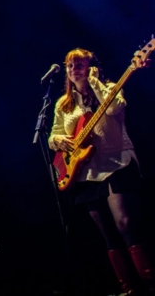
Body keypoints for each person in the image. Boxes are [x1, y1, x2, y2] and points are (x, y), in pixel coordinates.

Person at [48, 48, 153, 295]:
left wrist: (95, 83)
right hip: (86, 171)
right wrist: (59, 140)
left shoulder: (108, 88)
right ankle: (128, 289)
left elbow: (115, 108)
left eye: (80, 65)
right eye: (70, 66)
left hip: (117, 162)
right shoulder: (64, 104)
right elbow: (54, 134)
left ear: (91, 67)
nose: (75, 69)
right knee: (107, 233)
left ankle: (150, 285)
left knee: (125, 223)